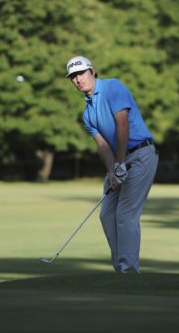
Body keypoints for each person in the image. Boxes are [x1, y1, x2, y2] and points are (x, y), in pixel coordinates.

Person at [66, 55, 159, 273]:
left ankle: (128, 271)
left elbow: (122, 125)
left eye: (81, 73)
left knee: (126, 214)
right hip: (120, 160)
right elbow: (103, 146)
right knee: (107, 214)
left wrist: (120, 163)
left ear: (92, 71)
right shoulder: (88, 112)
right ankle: (120, 269)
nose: (78, 79)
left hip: (141, 154)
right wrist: (112, 172)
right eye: (73, 77)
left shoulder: (112, 87)